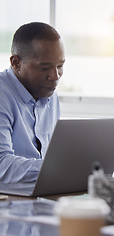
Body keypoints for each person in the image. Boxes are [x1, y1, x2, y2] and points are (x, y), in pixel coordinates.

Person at [0, 22, 65, 183]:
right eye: (45, 68)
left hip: (37, 194)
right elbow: (1, 165)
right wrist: (57, 168)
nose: (55, 76)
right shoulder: (3, 95)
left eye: (60, 66)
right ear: (16, 63)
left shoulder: (50, 95)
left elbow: (52, 156)